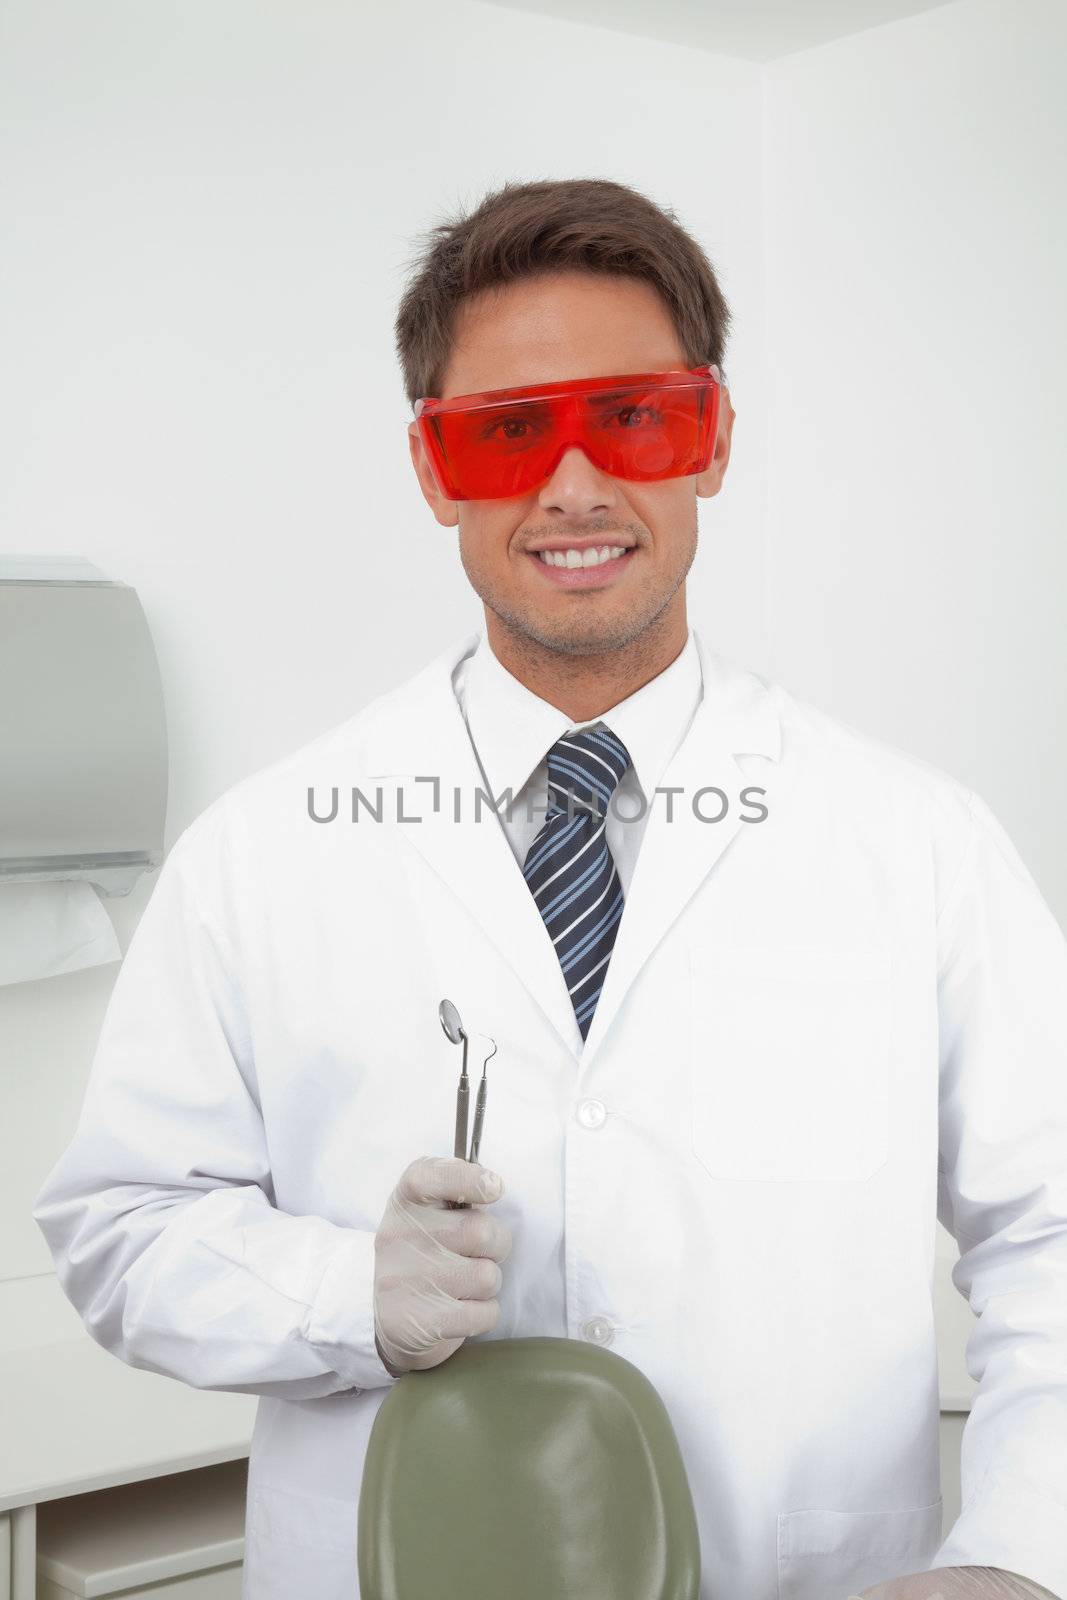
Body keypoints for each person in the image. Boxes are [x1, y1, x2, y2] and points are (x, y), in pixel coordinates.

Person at [32, 177, 1066, 1600]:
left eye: (635, 416)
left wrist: (1019, 1553)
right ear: (433, 469)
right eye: (508, 433)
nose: (574, 486)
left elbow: (1054, 1226)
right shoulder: (260, 854)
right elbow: (118, 1229)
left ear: (712, 440)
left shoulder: (920, 843)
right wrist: (353, 1299)